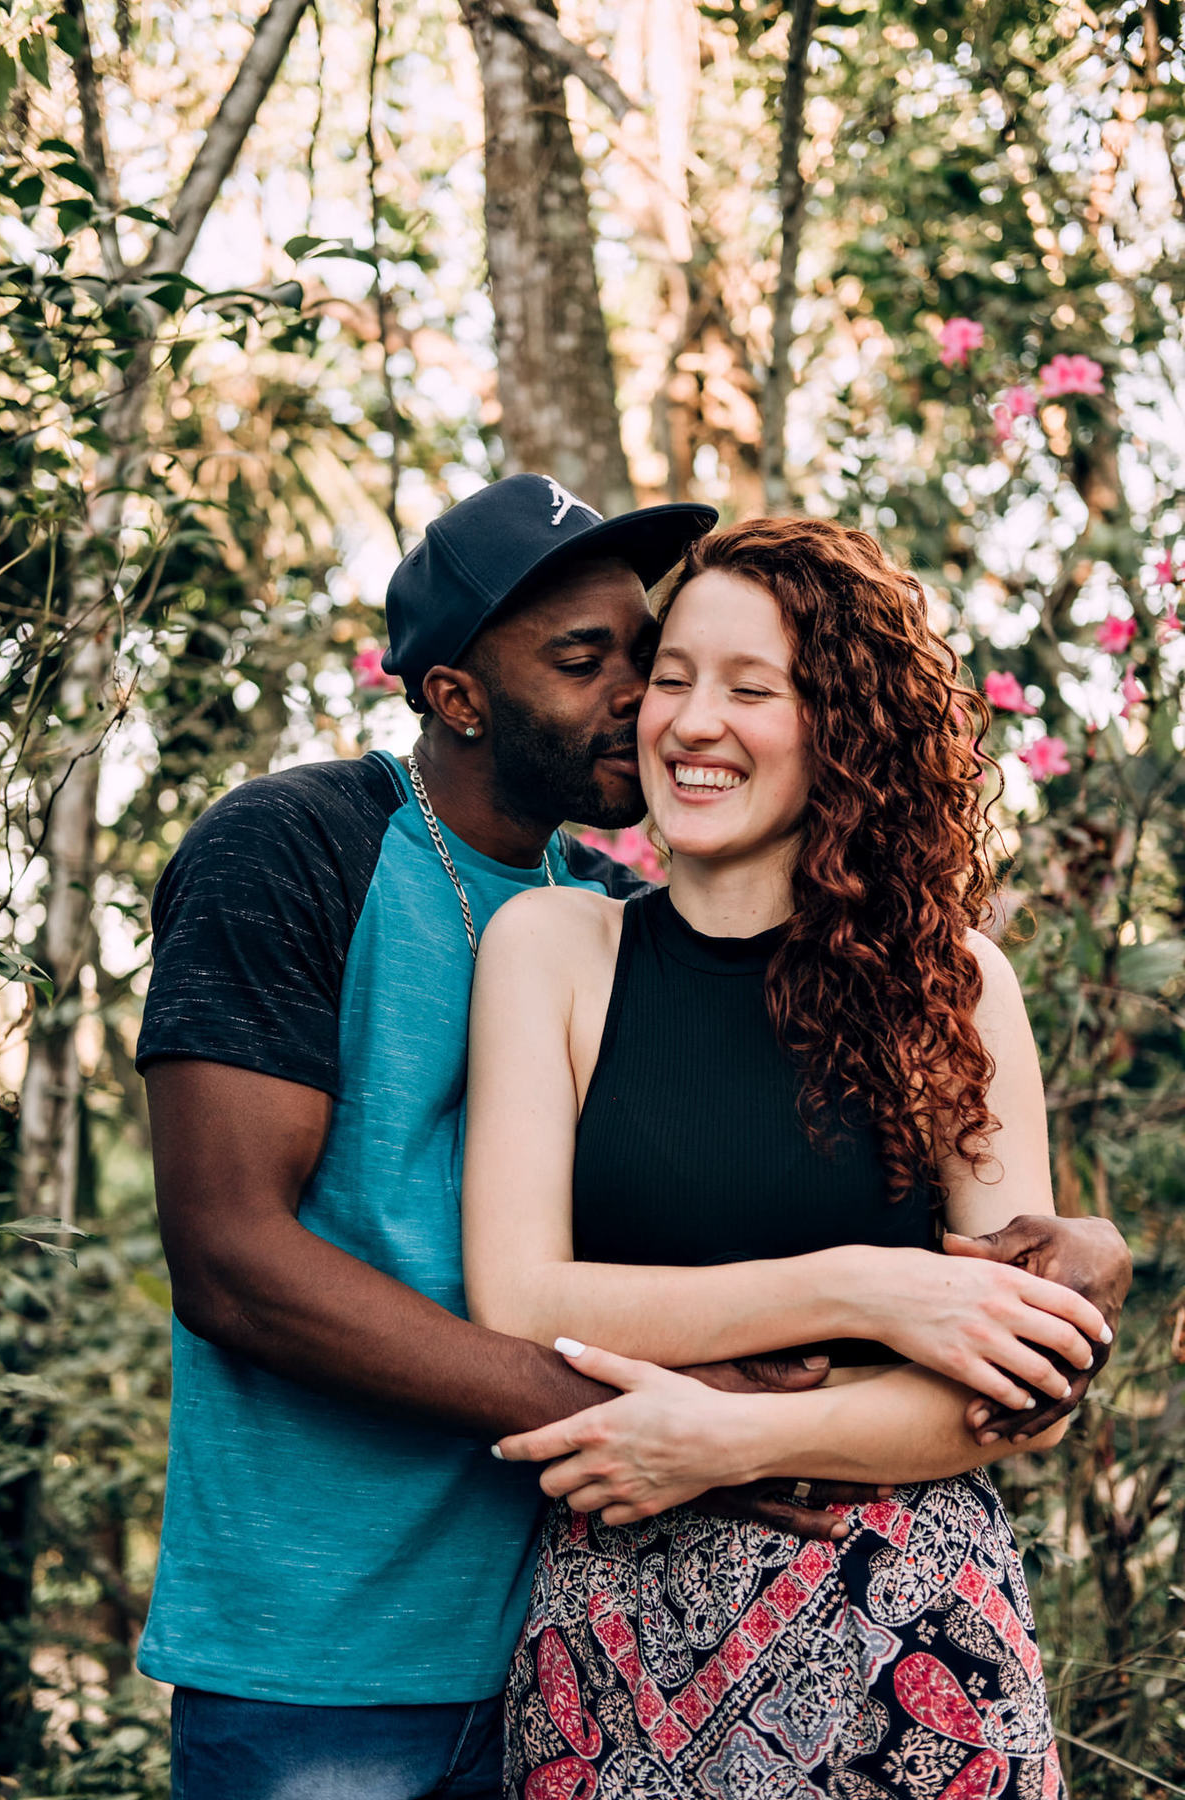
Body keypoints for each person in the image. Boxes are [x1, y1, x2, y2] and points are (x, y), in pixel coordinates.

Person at [136, 474, 903, 1800]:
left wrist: (1035, 1252)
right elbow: (232, 1263)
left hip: (580, 1646)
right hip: (324, 1660)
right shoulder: (294, 848)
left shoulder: (611, 911)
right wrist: (656, 1426)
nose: (639, 695)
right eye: (581, 658)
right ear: (456, 696)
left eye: (643, 656)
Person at [462, 515, 1131, 1798]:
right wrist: (865, 1286)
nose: (693, 722)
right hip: (620, 1657)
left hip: (911, 1640)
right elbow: (522, 1297)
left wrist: (725, 1440)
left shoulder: (952, 987)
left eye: (751, 688)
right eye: (673, 678)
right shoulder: (555, 949)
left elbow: (1003, 1386)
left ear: (842, 727)